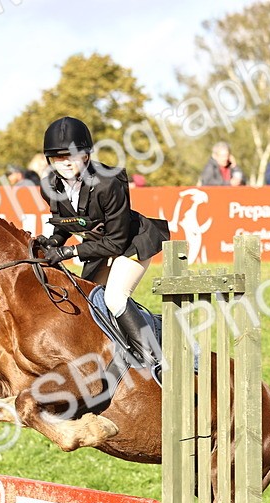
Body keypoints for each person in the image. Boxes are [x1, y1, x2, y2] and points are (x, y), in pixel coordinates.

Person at [36, 116, 170, 368]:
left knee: (115, 298)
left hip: (131, 243)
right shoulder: (49, 185)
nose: (64, 162)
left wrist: (69, 252)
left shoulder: (109, 183)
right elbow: (65, 221)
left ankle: (155, 360)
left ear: (86, 155)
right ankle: (111, 353)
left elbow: (117, 242)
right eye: (57, 157)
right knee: (88, 301)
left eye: (71, 155)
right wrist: (54, 240)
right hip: (98, 246)